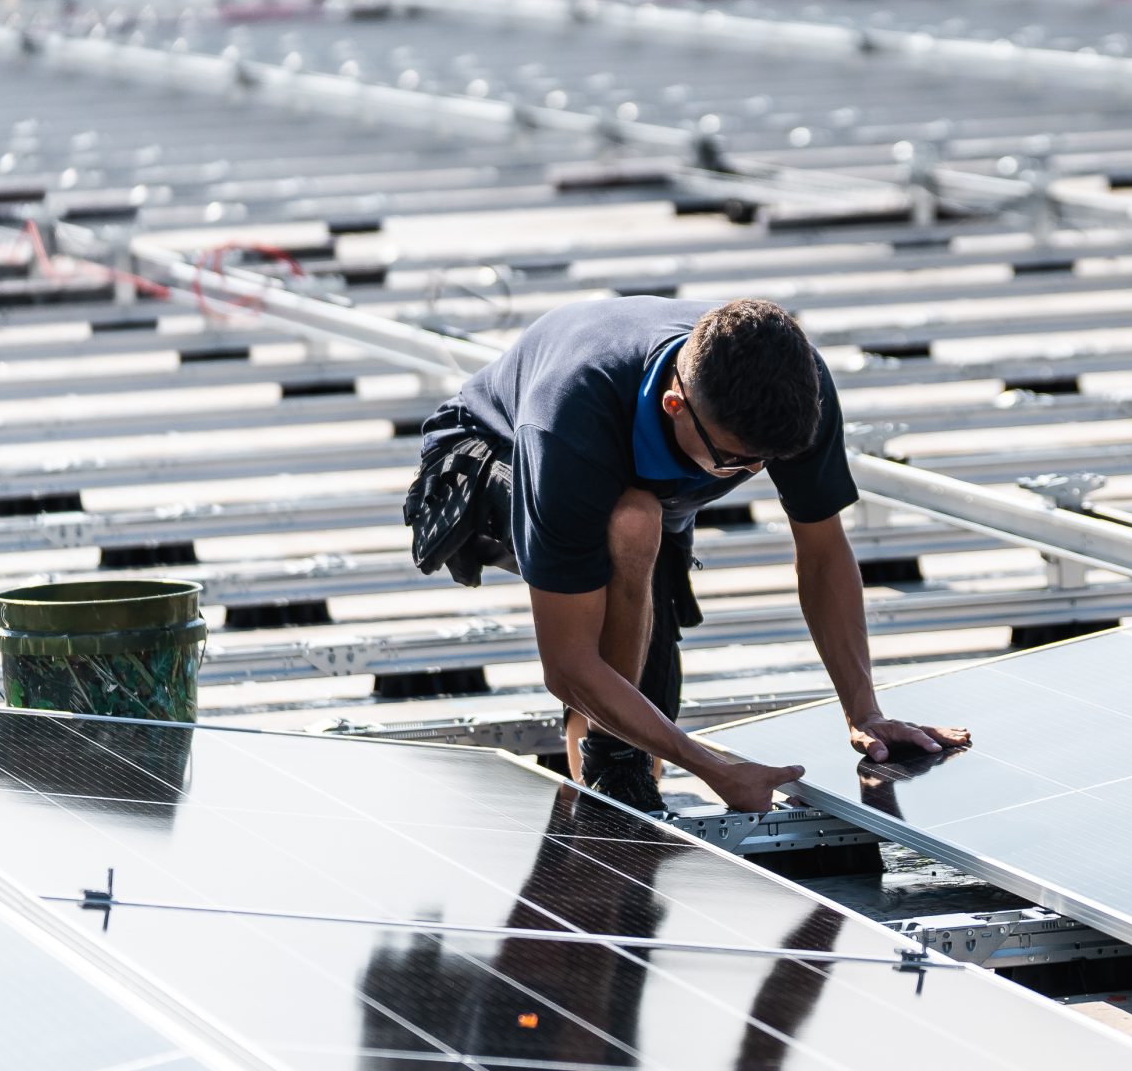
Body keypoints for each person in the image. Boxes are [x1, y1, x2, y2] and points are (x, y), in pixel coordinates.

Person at [404, 296, 967, 812]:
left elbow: (822, 554)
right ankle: (605, 767)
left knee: (648, 684)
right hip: (482, 458)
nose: (751, 471)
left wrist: (864, 712)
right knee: (632, 523)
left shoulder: (796, 388)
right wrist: (712, 768)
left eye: (765, 463)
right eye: (735, 461)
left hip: (644, 499)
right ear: (675, 404)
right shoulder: (570, 420)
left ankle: (613, 770)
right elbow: (568, 665)